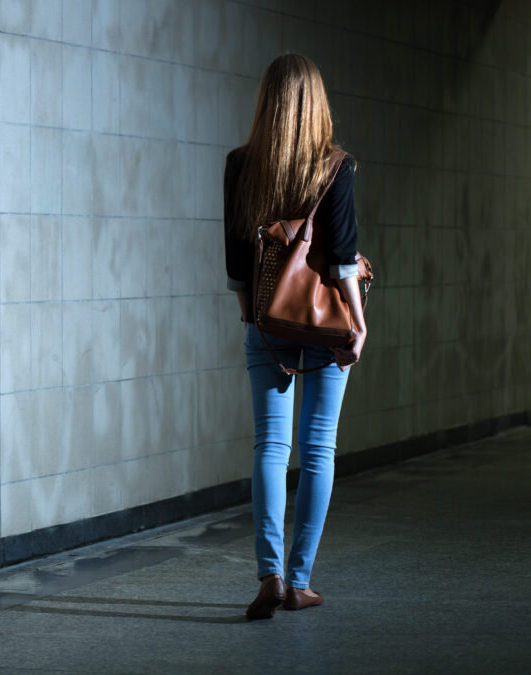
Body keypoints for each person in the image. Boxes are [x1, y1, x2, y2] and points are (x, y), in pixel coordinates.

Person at [223, 53, 368, 620]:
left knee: (269, 447)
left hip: (265, 322)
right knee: (317, 448)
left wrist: (255, 322)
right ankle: (300, 581)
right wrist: (356, 325)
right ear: (317, 104)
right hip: (326, 324)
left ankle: (270, 574)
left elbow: (237, 263)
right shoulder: (334, 166)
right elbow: (341, 260)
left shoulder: (241, 165)